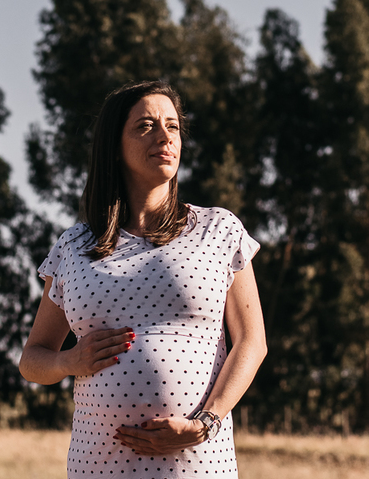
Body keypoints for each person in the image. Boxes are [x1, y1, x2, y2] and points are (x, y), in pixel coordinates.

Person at [20, 80, 267, 478]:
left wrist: (205, 422)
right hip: (98, 467)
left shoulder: (218, 229)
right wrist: (69, 360)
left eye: (172, 126)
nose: (165, 136)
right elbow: (33, 360)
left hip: (198, 465)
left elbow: (253, 343)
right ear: (114, 147)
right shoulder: (75, 246)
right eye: (146, 126)